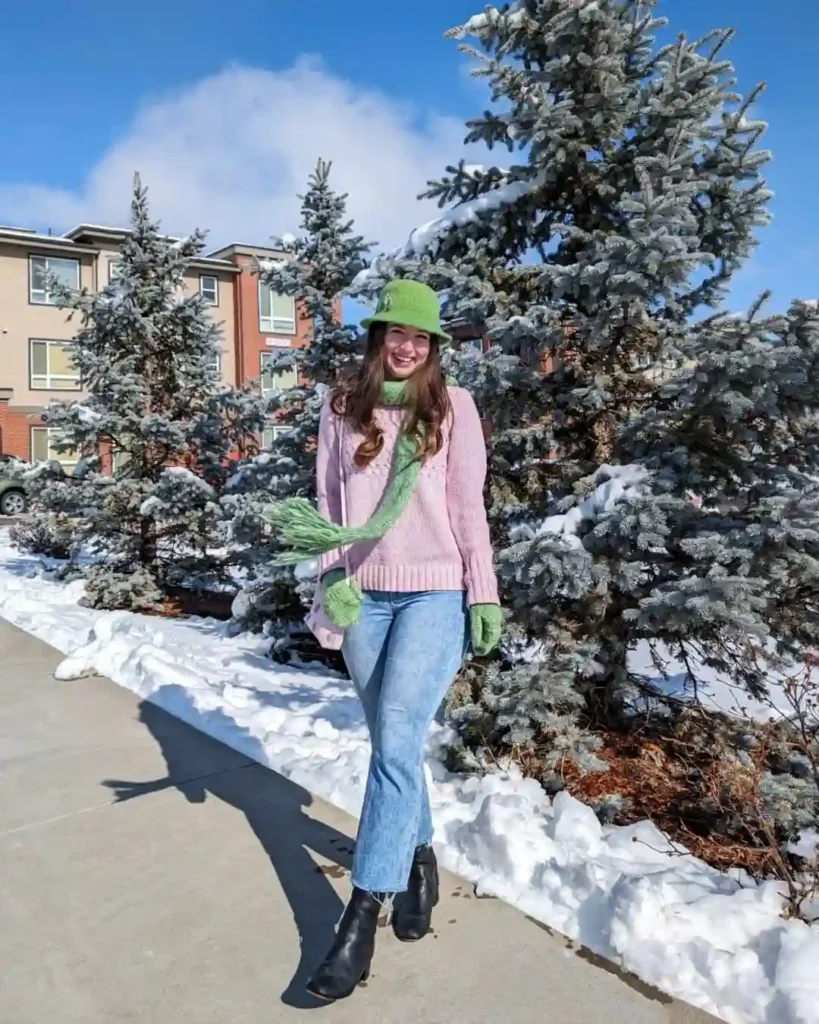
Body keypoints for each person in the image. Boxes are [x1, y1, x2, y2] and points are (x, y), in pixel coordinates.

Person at [268, 279, 502, 1002]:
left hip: (433, 592)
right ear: (377, 340)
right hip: (364, 596)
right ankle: (421, 854)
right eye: (395, 334)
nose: (407, 346)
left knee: (397, 733)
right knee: (390, 745)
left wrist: (483, 590)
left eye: (421, 337)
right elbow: (331, 508)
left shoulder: (452, 409)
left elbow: (467, 508)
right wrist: (330, 584)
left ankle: (358, 920)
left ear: (434, 348)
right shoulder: (341, 409)